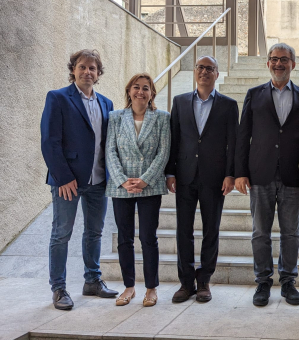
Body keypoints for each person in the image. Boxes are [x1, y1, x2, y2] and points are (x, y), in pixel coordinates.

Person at [234, 43, 299, 306]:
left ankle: (289, 281)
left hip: (293, 175)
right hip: (260, 173)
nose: (278, 63)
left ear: (294, 63)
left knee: (291, 232)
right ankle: (263, 282)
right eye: (274, 59)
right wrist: (240, 172)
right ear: (267, 63)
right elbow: (242, 135)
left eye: (284, 59)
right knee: (260, 232)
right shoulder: (254, 94)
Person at [41, 49, 118, 310]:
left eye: (92, 68)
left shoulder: (106, 103)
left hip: (98, 180)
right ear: (73, 69)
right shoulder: (58, 98)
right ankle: (59, 288)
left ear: (98, 74)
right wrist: (63, 177)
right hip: (68, 182)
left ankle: (92, 281)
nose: (87, 72)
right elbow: (50, 142)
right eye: (82, 67)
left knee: (95, 232)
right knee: (61, 233)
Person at [165, 56, 239, 303]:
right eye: (200, 67)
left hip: (215, 177)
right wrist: (170, 171)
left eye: (210, 68)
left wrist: (230, 174)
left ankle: (204, 280)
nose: (204, 71)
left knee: (211, 230)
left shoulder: (228, 105)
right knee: (183, 231)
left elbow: (233, 144)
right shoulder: (180, 101)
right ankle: (186, 283)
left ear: (217, 74)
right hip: (185, 175)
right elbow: (174, 139)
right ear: (194, 72)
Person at [105, 73, 171, 307]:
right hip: (121, 185)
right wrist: (123, 180)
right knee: (124, 238)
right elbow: (109, 151)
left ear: (152, 93)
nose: (140, 92)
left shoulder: (162, 118)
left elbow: (163, 153)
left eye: (146, 88)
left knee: (148, 237)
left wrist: (144, 180)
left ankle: (151, 288)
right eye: (136, 87)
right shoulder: (114, 117)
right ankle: (129, 287)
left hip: (149, 186)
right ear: (129, 91)